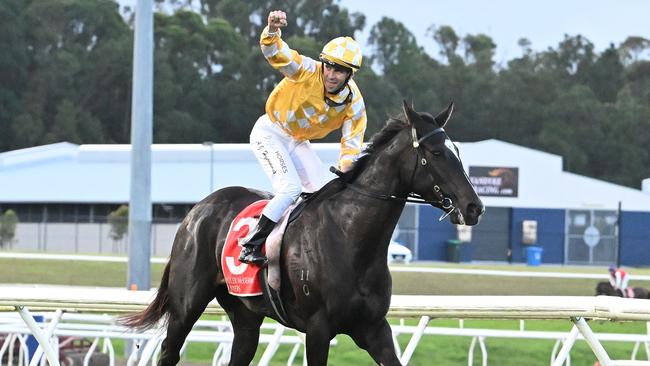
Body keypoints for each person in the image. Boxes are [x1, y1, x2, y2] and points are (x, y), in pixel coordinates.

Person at [238, 10, 367, 265]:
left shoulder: (355, 104)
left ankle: (303, 248)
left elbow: (351, 144)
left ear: (350, 74)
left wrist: (347, 170)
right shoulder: (307, 70)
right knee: (290, 188)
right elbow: (276, 54)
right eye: (329, 66)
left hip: (297, 141)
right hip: (269, 132)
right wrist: (273, 31)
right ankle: (251, 244)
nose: (331, 74)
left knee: (323, 195)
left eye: (340, 71)